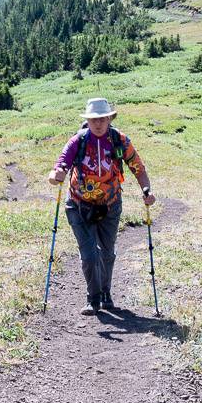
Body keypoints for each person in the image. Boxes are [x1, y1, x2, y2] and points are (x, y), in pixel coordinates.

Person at [48, 96, 155, 315]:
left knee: (107, 253)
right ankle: (93, 298)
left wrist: (146, 190)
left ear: (109, 119)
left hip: (111, 204)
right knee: (89, 254)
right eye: (93, 119)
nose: (98, 123)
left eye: (102, 119)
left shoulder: (119, 140)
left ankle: (106, 294)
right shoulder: (78, 141)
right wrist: (55, 175)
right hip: (78, 205)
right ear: (87, 120)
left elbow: (138, 168)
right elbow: (59, 167)